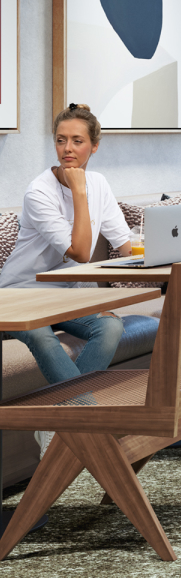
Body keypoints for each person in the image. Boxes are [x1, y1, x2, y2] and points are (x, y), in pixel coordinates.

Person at [0, 104, 132, 390]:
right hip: (18, 294)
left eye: (77, 141)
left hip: (64, 295)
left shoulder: (100, 183)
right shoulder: (39, 192)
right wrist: (80, 190)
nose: (67, 149)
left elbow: (125, 246)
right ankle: (77, 419)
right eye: (61, 140)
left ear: (94, 146)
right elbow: (81, 253)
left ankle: (58, 424)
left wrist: (166, 248)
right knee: (40, 335)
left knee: (110, 326)